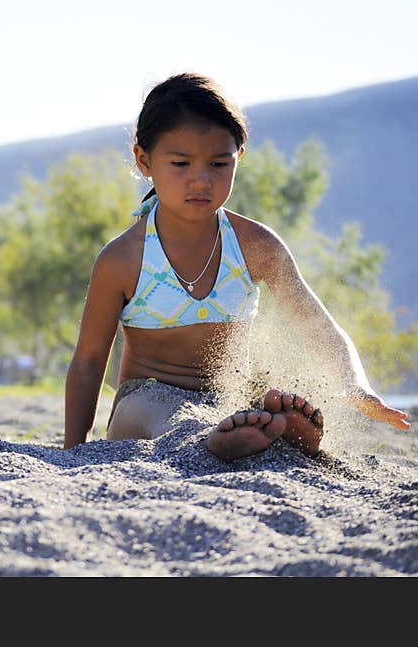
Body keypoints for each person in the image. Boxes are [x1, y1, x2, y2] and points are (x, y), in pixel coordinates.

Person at [64, 73, 410, 461]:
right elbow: (89, 360)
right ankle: (219, 438)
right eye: (180, 163)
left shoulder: (255, 245)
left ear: (238, 158)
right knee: (164, 411)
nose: (201, 179)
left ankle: (276, 434)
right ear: (144, 161)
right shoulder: (123, 258)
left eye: (218, 163)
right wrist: (72, 451)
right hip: (144, 403)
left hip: (232, 398)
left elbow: (314, 321)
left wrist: (354, 384)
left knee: (266, 400)